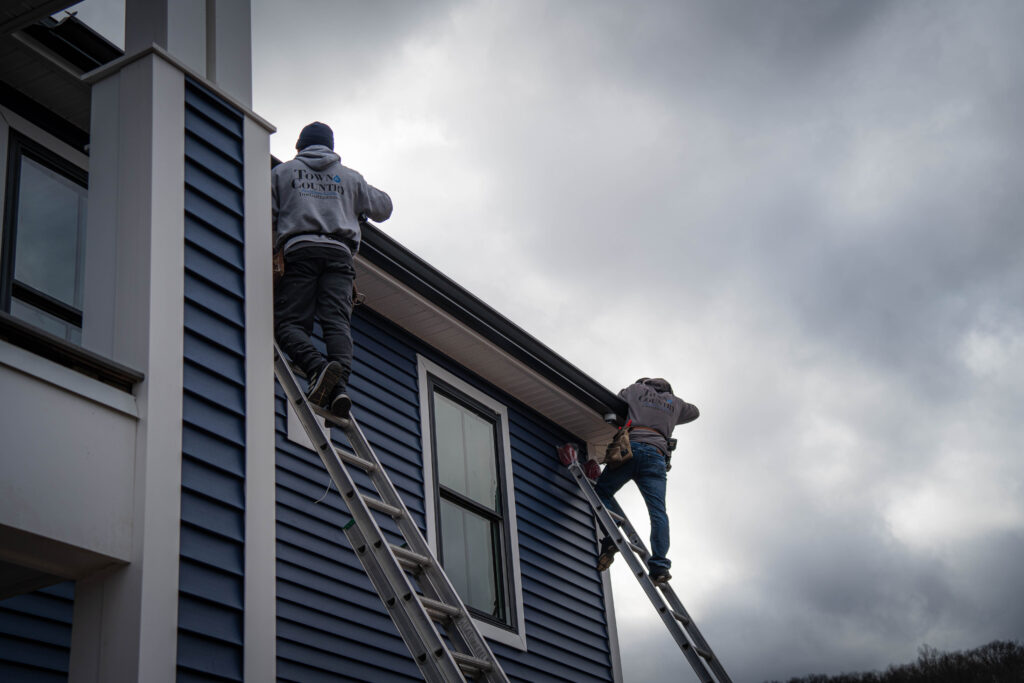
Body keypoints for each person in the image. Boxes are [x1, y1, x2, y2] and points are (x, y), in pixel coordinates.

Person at [273, 122, 393, 418]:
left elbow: (266, 212)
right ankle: (338, 388)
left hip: (300, 252)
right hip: (339, 256)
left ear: (300, 146)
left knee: (289, 325)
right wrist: (353, 202)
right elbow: (385, 207)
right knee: (337, 324)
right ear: (331, 148)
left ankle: (317, 368)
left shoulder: (283, 173)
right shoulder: (350, 178)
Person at [594, 378, 699, 585]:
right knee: (658, 512)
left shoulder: (636, 389)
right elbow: (695, 412)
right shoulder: (675, 403)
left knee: (602, 492)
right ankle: (659, 566)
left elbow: (619, 399)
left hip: (630, 449)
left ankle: (612, 530)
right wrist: (671, 408)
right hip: (656, 457)